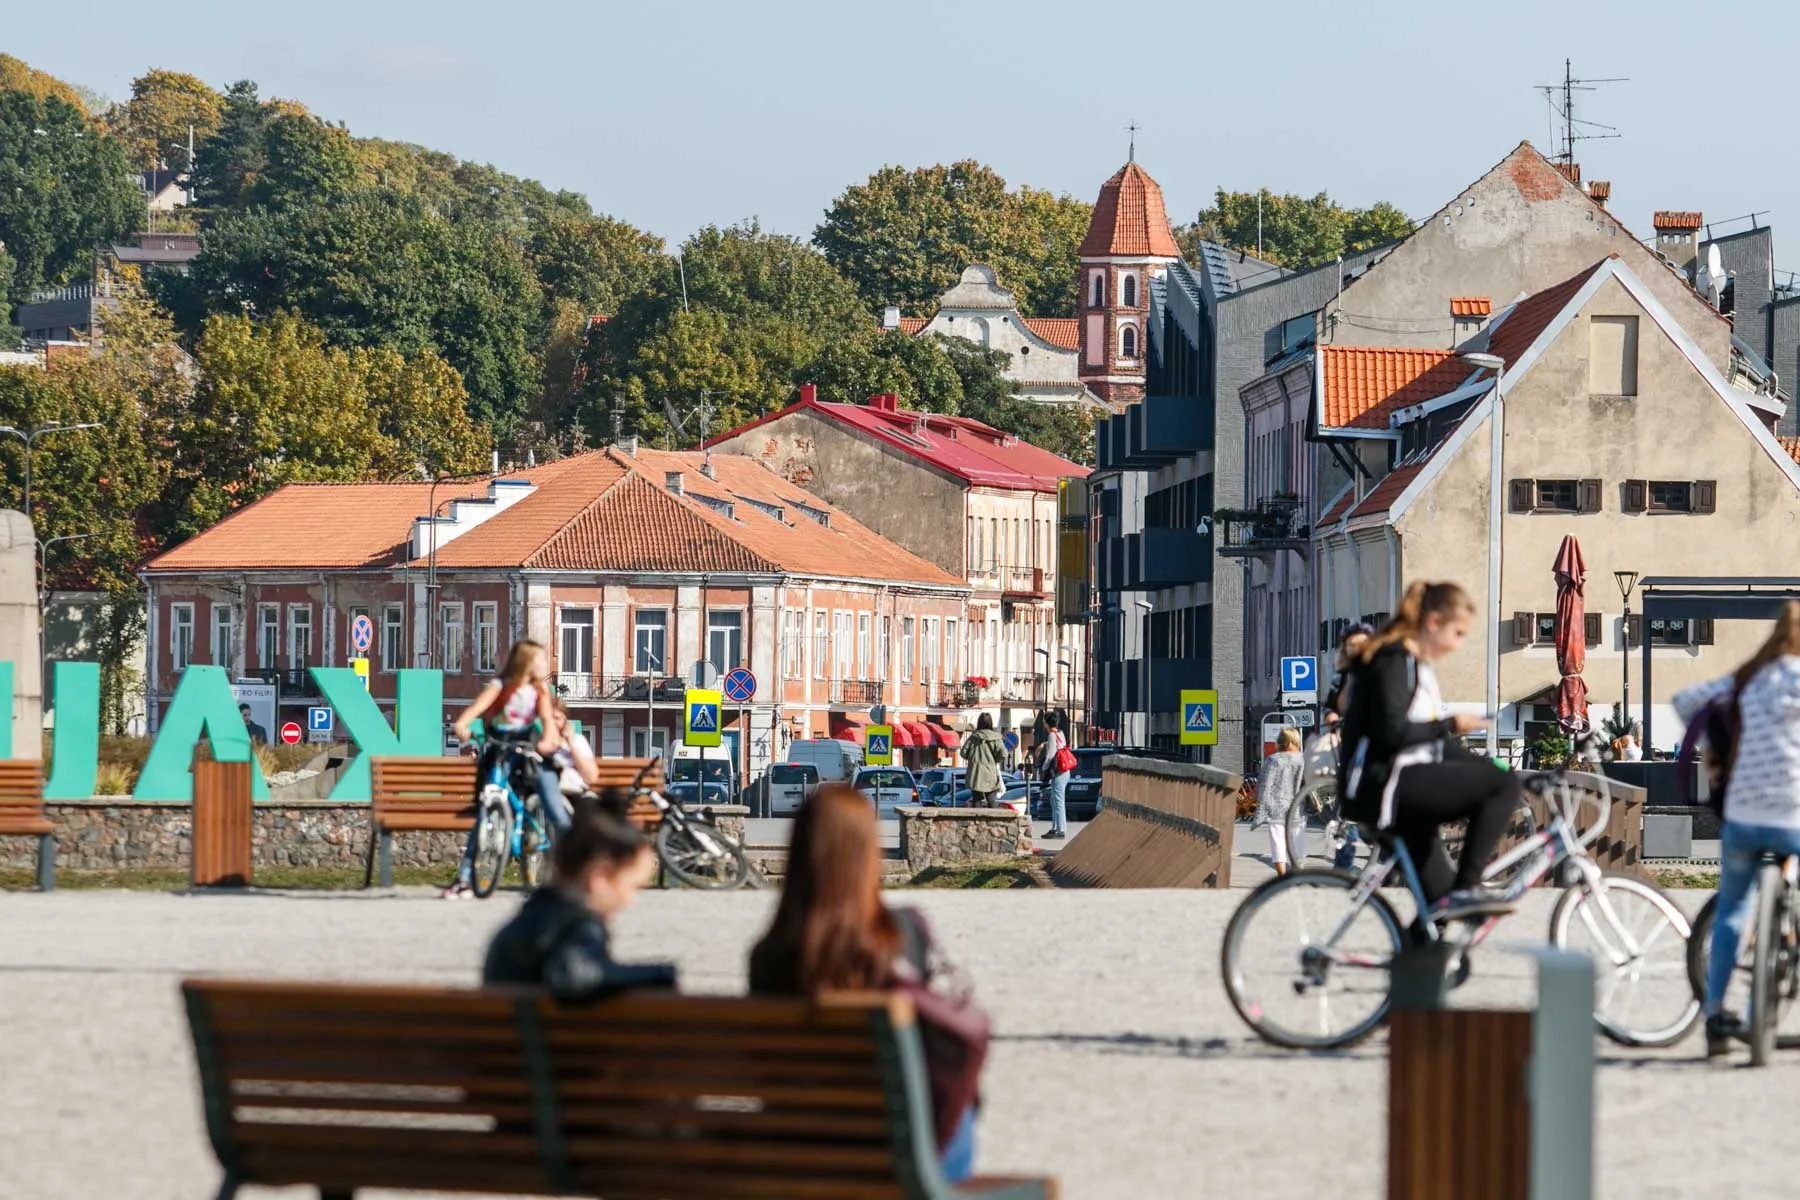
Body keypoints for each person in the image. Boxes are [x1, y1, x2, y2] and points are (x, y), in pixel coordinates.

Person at [748, 784, 984, 1182]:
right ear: (867, 853)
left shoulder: (768, 955)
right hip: (893, 1152)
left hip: (795, 1147)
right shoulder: (902, 935)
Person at [1338, 581, 1520, 921]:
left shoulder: (1416, 664)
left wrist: (1483, 763)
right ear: (1434, 623)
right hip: (1383, 786)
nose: (1458, 645)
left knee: (1442, 913)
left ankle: (1416, 963)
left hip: (1398, 783)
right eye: (1458, 633)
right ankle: (1468, 887)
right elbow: (1393, 733)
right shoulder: (1393, 659)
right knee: (1502, 786)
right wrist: (1452, 724)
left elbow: (1432, 743)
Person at [1674, 601, 1800, 1058]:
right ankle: (1766, 995)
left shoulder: (1747, 679)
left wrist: (1716, 747)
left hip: (1743, 815)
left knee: (1731, 911)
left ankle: (1714, 1015)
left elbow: (1684, 702)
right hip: (1794, 817)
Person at [483, 791, 676, 1000]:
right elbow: (572, 976)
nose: (630, 901)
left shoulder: (528, 920)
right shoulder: (578, 925)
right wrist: (659, 975)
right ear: (599, 879)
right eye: (632, 887)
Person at [443, 639, 564, 899]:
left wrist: (548, 738)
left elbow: (546, 720)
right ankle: (466, 877)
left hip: (528, 746)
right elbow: (478, 708)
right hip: (500, 745)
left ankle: (570, 869)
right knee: (487, 804)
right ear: (526, 662)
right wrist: (462, 724)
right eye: (540, 660)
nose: (544, 665)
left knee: (548, 798)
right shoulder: (502, 685)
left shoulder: (539, 690)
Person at [1256, 727, 1307, 874]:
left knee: (1278, 843)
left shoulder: (1272, 760)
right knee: (1297, 842)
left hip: (1275, 808)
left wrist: (1261, 803)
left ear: (1280, 741)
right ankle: (1297, 873)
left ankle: (1282, 876)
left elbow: (1263, 783)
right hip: (1298, 807)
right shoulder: (1303, 760)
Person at [1322, 624, 1373, 728]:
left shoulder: (1381, 670)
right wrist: (1332, 719)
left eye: (1363, 644)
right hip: (1347, 733)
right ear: (1345, 649)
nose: (1358, 649)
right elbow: (1329, 706)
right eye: (1352, 645)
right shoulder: (1341, 675)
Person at [1038, 711, 1072, 840]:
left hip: (1059, 772)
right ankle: (1055, 827)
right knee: (1055, 799)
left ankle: (1060, 829)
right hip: (1064, 771)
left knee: (1058, 801)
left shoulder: (1052, 735)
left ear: (1047, 723)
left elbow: (1051, 754)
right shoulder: (1060, 733)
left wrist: (1044, 768)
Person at [960, 713, 1005, 807]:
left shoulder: (973, 738)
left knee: (977, 799)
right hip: (990, 772)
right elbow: (1003, 754)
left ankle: (977, 821)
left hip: (975, 773)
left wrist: (973, 758)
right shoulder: (996, 738)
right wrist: (994, 760)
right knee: (992, 799)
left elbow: (963, 753)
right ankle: (994, 820)